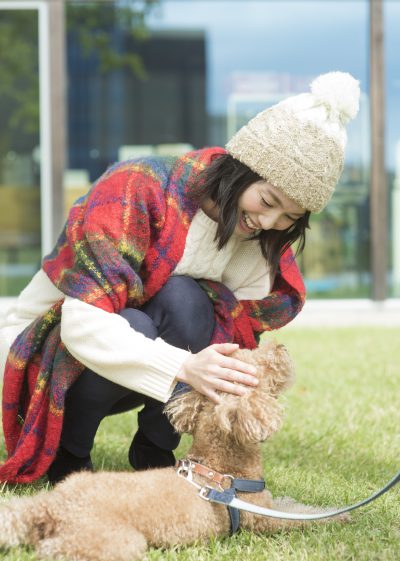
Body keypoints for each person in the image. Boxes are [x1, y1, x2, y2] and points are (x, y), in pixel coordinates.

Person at [0, 71, 360, 485]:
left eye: (289, 217)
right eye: (267, 200)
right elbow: (82, 326)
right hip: (43, 356)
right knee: (136, 321)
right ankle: (69, 453)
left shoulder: (259, 242)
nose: (268, 222)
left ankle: (154, 448)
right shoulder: (138, 188)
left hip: (130, 364)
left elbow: (232, 333)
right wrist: (186, 366)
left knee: (189, 300)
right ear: (241, 168)